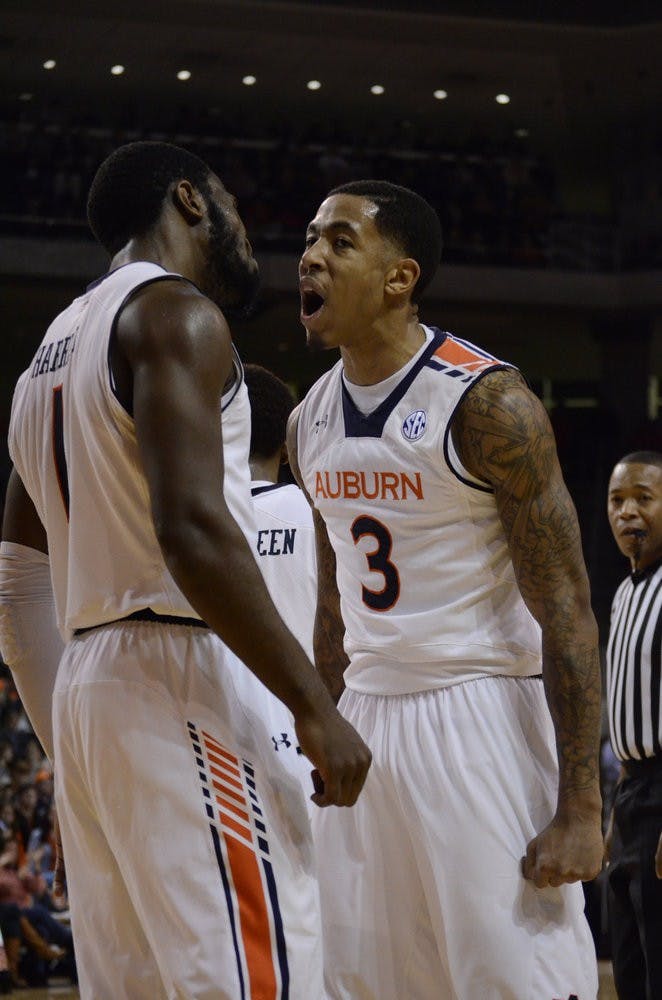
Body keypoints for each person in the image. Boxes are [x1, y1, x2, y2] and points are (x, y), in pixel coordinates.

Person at [0, 141, 371, 999]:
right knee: (256, 979)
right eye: (230, 203)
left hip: (90, 688)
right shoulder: (176, 314)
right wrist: (314, 708)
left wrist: (79, 736)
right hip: (180, 675)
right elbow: (194, 531)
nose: (243, 225)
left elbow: (16, 588)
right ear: (190, 200)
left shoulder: (46, 356)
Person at [287, 179, 603, 999]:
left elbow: (567, 607)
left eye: (340, 241)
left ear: (400, 277)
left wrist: (581, 807)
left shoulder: (489, 403)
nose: (311, 256)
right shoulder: (307, 418)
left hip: (479, 709)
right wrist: (322, 720)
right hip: (368, 715)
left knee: (511, 976)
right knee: (365, 979)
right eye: (310, 238)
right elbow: (333, 604)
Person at [243, 363, 318, 799]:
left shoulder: (190, 528)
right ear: (288, 451)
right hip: (312, 738)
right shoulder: (319, 519)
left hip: (221, 736)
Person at [605, 450, 662, 1000]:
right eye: (617, 500)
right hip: (629, 793)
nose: (627, 512)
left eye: (643, 498)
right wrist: (614, 813)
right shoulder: (624, 593)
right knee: (629, 962)